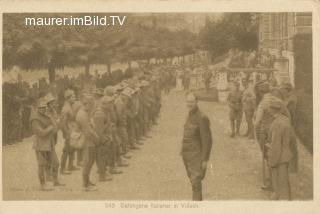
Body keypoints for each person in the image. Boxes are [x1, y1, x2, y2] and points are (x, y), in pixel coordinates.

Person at [181, 93, 213, 201]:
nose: (189, 104)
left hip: (196, 155)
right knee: (193, 181)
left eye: (192, 102)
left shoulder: (202, 117)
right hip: (187, 155)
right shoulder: (190, 114)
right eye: (188, 102)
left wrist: (204, 159)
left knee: (196, 184)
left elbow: (207, 140)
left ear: (197, 101)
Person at [266, 99, 293, 200]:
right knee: (285, 180)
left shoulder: (277, 123)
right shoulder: (285, 119)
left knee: (279, 181)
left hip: (279, 157)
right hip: (286, 154)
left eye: (269, 108)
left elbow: (276, 145)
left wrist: (272, 161)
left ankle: (279, 199)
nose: (268, 110)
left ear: (273, 110)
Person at [30, 98, 58, 191]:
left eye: (44, 107)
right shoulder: (35, 119)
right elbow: (41, 133)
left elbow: (55, 129)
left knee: (51, 162)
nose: (43, 109)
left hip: (49, 142)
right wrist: (51, 126)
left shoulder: (47, 115)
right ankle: (42, 184)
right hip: (40, 143)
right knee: (41, 164)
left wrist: (53, 124)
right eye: (41, 107)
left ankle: (50, 181)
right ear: (37, 108)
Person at [76, 94, 99, 191]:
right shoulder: (82, 115)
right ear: (88, 104)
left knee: (90, 162)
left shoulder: (85, 112)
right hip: (87, 142)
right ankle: (85, 185)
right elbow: (88, 132)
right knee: (87, 162)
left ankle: (87, 181)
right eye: (92, 104)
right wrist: (96, 138)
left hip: (89, 141)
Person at [92, 95, 115, 182]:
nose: (112, 105)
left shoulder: (105, 111)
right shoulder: (100, 114)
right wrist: (104, 140)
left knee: (103, 156)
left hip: (105, 137)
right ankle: (102, 176)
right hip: (101, 139)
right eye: (110, 103)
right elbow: (98, 131)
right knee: (102, 156)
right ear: (104, 104)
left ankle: (103, 172)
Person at [44, 93, 65, 186]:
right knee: (54, 161)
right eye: (51, 103)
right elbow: (52, 124)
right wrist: (56, 122)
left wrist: (58, 121)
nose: (53, 104)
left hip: (53, 137)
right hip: (48, 139)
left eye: (53, 102)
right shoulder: (46, 113)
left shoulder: (54, 111)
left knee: (49, 159)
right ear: (47, 104)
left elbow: (57, 124)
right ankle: (52, 180)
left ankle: (51, 179)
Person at [60, 89, 78, 174]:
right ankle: (62, 169)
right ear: (68, 98)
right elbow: (62, 123)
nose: (75, 98)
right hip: (69, 131)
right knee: (66, 149)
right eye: (73, 96)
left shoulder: (70, 106)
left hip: (72, 130)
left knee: (72, 148)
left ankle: (70, 166)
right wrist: (66, 133)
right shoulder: (65, 108)